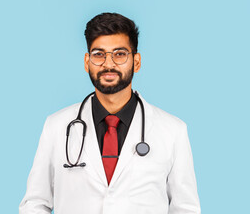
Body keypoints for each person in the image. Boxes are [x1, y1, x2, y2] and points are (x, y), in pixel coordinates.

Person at [19, 13, 201, 214]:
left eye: (120, 54)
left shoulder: (172, 131)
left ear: (137, 62)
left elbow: (186, 209)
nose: (108, 64)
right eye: (99, 54)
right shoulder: (56, 126)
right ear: (87, 61)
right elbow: (35, 204)